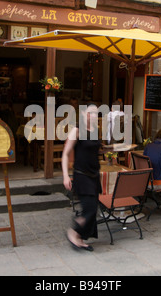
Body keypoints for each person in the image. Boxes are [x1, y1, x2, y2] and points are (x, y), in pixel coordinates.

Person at [62, 104, 102, 251]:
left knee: (93, 208)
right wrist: (66, 175)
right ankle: (73, 232)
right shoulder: (77, 130)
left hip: (94, 176)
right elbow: (65, 153)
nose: (93, 116)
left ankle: (79, 238)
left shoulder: (96, 131)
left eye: (96, 114)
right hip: (81, 176)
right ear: (84, 114)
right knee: (90, 208)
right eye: (91, 113)